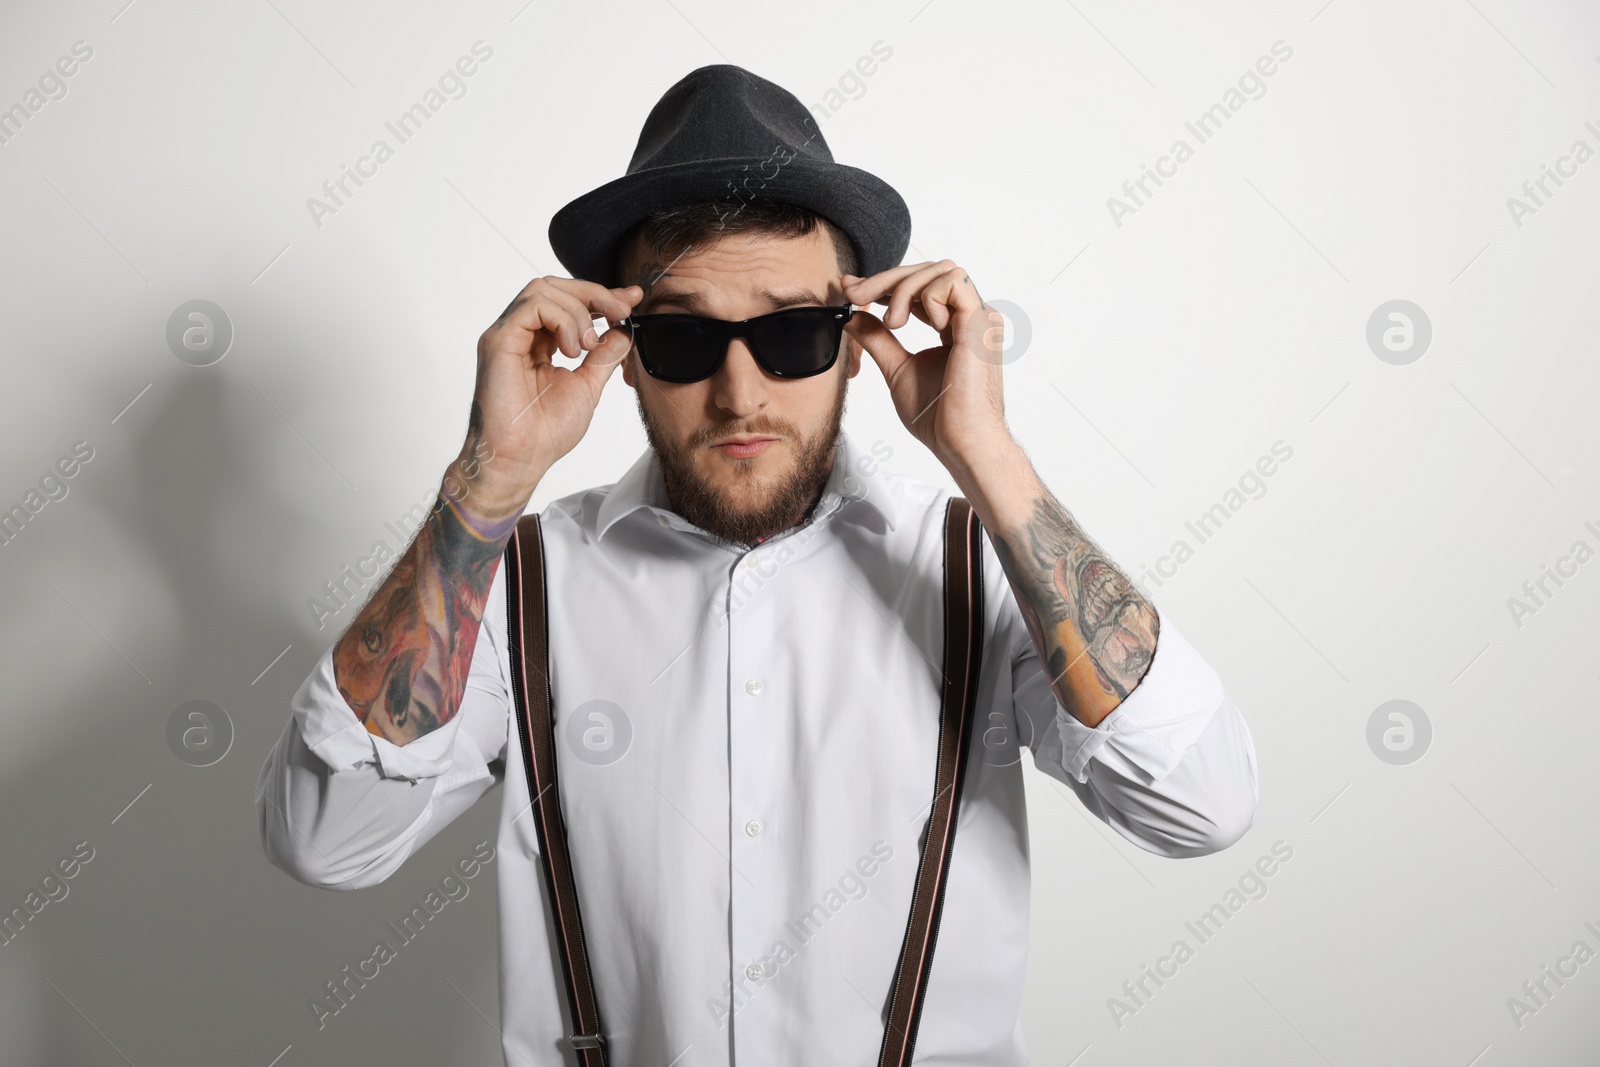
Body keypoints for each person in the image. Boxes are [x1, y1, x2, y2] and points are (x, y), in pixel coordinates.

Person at [257, 64, 1258, 1065]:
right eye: (686, 338)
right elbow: (327, 835)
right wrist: (486, 481)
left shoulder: (975, 567)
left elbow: (1199, 806)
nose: (740, 393)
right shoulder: (520, 581)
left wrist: (985, 456)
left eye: (791, 333)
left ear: (858, 337)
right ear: (621, 347)